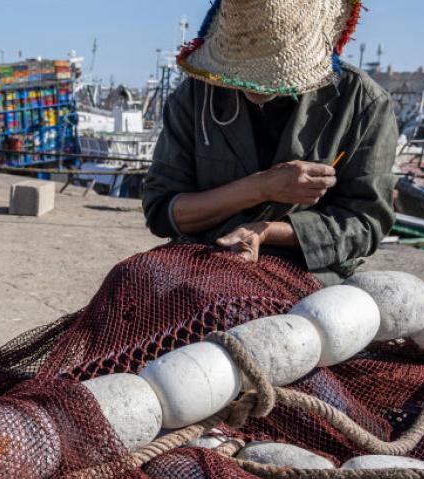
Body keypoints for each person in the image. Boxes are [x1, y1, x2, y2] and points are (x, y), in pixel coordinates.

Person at [143, 0, 398, 284]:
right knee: (130, 281)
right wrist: (262, 187)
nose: (254, 85)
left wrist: (265, 232)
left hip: (304, 271)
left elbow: (365, 221)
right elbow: (162, 211)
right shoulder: (194, 96)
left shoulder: (362, 102)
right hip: (200, 259)